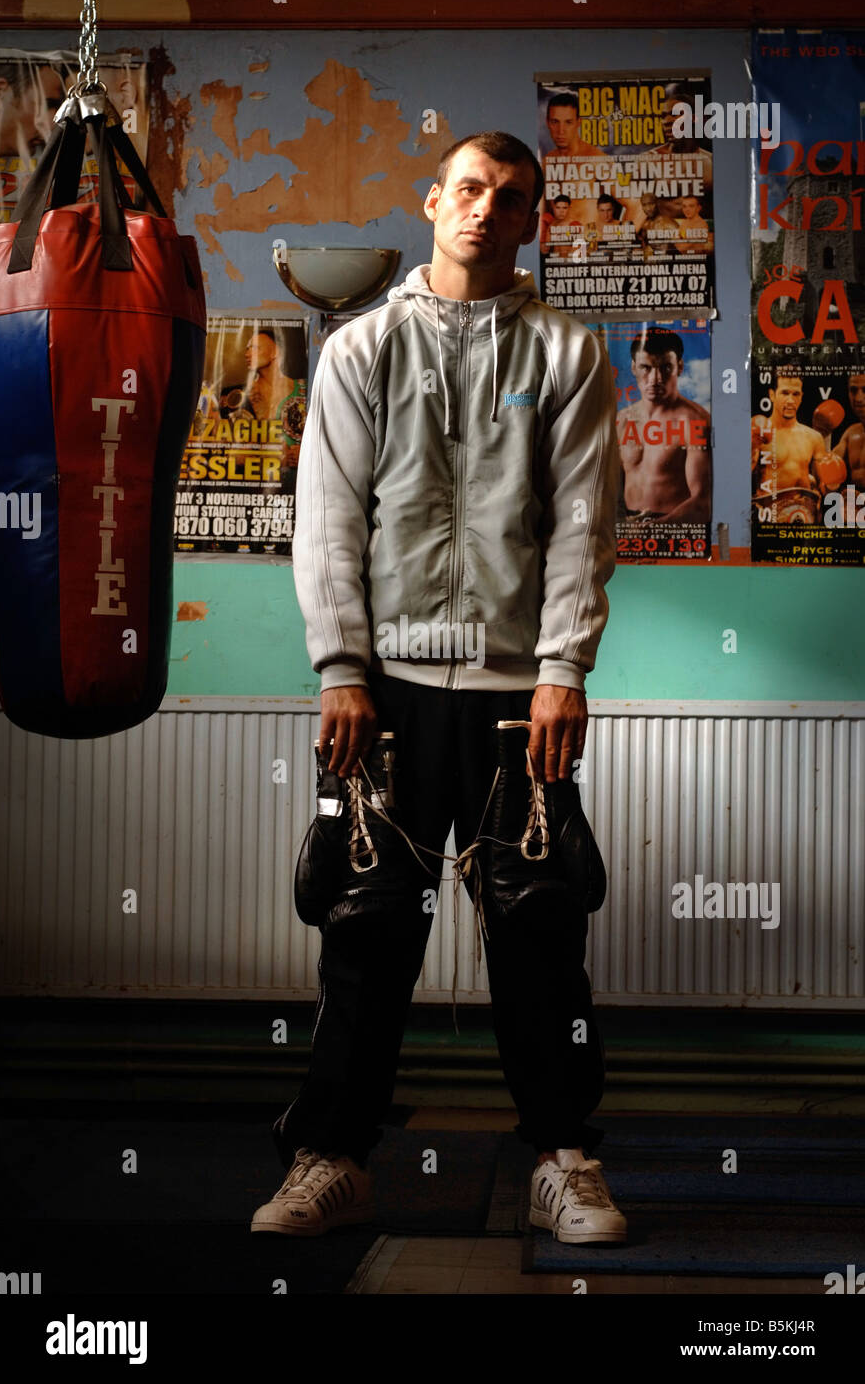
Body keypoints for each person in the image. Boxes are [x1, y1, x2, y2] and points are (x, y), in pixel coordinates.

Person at [251, 131, 625, 1247]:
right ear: (432, 200)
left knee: (539, 931)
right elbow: (327, 525)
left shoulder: (566, 353)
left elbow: (581, 528)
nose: (483, 210)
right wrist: (340, 670)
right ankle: (332, 1158)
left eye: (509, 198)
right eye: (468, 189)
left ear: (528, 222)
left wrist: (563, 670)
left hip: (521, 696)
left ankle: (563, 1158)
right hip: (386, 694)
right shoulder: (362, 348)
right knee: (365, 930)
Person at [617, 328, 711, 520]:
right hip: (626, 526)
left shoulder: (693, 420)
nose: (655, 379)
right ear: (634, 367)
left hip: (672, 526)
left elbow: (703, 501)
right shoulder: (622, 419)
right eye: (646, 368)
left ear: (680, 367)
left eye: (665, 368)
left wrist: (657, 527)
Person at [751, 370, 825, 512]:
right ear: (772, 395)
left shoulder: (814, 437)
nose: (791, 400)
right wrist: (752, 447)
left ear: (802, 397)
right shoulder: (758, 429)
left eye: (795, 394)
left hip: (804, 515)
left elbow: (825, 487)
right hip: (769, 515)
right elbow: (738, 477)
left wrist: (831, 483)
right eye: (785, 393)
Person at [829, 374, 865, 491]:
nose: (859, 398)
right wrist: (824, 434)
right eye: (853, 390)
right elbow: (828, 474)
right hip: (856, 505)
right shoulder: (850, 433)